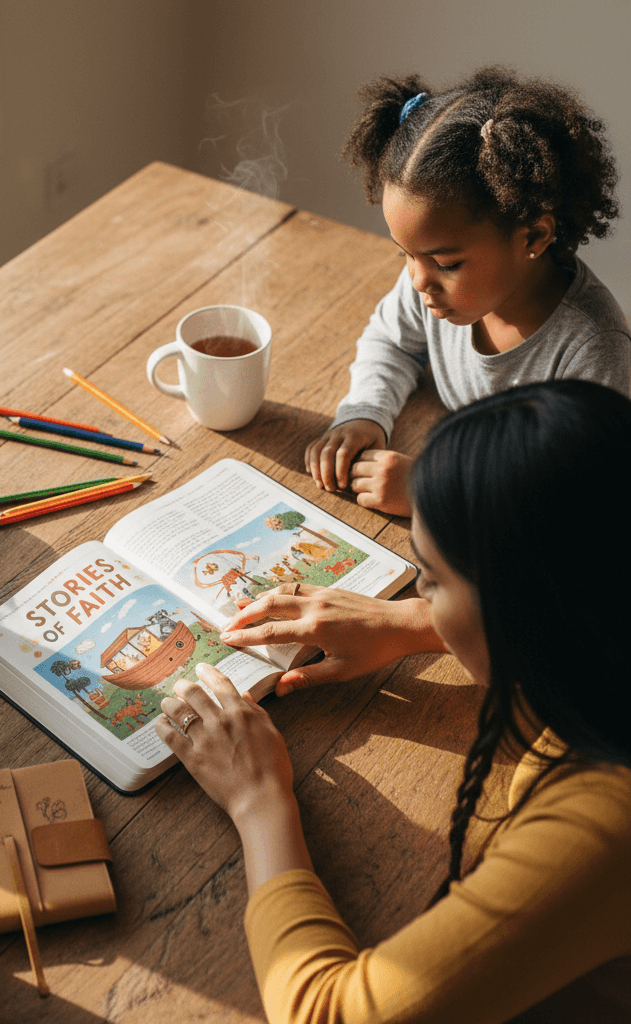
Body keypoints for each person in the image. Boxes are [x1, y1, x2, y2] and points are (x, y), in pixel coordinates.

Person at [157, 380, 631, 1022]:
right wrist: (418, 621)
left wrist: (258, 801)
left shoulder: (604, 820)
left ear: (519, 604)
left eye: (430, 579)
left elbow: (327, 1013)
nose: (421, 594)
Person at [306, 67, 630, 517]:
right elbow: (392, 342)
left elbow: (580, 499)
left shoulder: (591, 350)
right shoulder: (432, 283)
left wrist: (430, 493)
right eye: (405, 255)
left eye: (446, 264)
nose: (418, 281)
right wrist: (365, 411)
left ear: (533, 237)